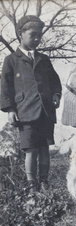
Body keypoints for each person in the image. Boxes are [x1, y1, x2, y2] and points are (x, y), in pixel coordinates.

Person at [0, 15, 62, 194]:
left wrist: (56, 94)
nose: (37, 39)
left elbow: (55, 81)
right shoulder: (11, 60)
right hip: (25, 111)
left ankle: (44, 181)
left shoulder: (44, 59)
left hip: (45, 111)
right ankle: (31, 184)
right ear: (21, 34)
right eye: (33, 35)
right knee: (30, 149)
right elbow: (5, 87)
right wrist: (11, 110)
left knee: (44, 147)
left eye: (39, 36)